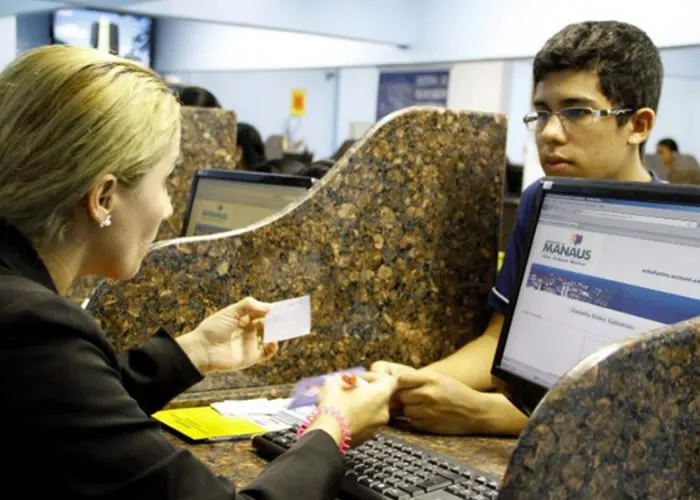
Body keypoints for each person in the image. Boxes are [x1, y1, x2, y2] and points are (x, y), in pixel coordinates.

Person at [0, 45, 398, 499]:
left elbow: (74, 410)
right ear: (103, 197)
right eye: (166, 180)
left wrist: (193, 351)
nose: (169, 208)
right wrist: (332, 427)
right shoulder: (31, 330)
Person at [372, 20, 667, 436]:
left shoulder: (681, 229)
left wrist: (487, 414)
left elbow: (653, 415)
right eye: (542, 113)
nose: (549, 133)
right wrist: (409, 384)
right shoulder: (540, 201)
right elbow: (499, 343)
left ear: (638, 125)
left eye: (577, 112)